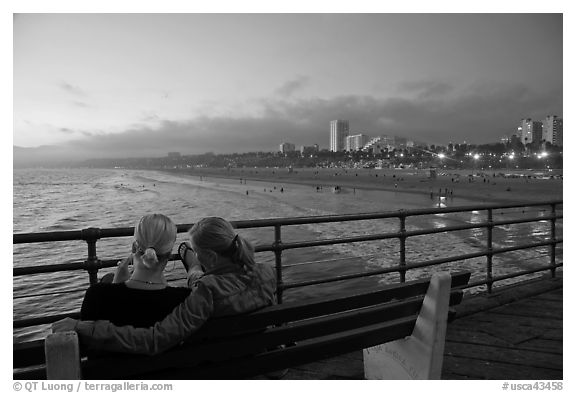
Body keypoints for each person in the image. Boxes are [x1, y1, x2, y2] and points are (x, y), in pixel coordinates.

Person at [53, 217, 276, 356]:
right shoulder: (266, 273)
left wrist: (84, 326)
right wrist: (194, 270)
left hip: (226, 365)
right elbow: (228, 289)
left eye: (196, 252)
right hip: (256, 356)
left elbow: (154, 340)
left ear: (209, 256)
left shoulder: (204, 293)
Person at [80, 213, 191, 328]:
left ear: (134, 247)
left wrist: (116, 287)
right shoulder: (184, 301)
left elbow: (90, 336)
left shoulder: (97, 296)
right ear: (169, 254)